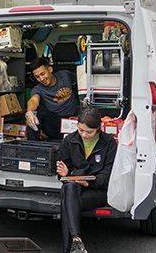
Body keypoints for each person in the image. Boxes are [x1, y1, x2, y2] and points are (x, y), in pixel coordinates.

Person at [56, 107, 117, 253]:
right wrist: (65, 173)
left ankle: (69, 248)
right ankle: (77, 241)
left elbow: (108, 176)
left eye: (89, 132)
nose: (84, 135)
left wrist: (88, 182)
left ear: (98, 128)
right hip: (75, 188)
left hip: (98, 191)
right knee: (69, 188)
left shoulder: (109, 143)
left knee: (67, 203)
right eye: (80, 130)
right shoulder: (69, 141)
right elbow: (61, 172)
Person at [25, 57, 78, 140]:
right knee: (37, 111)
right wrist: (30, 113)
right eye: (37, 77)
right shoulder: (38, 89)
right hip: (55, 125)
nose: (41, 79)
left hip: (74, 122)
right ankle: (32, 146)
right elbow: (34, 100)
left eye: (43, 74)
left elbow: (81, 78)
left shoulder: (64, 76)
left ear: (50, 69)